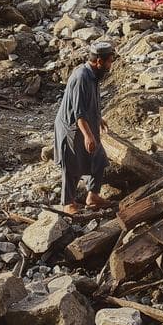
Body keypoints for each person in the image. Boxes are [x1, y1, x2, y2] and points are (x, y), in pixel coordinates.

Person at [53, 42, 115, 214]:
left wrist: (98, 118)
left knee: (99, 158)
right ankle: (68, 203)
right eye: (109, 61)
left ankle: (93, 195)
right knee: (72, 164)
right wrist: (88, 135)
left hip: (86, 123)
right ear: (99, 61)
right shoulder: (82, 77)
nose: (111, 65)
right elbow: (78, 112)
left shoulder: (94, 75)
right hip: (71, 127)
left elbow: (88, 103)